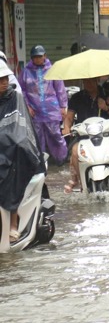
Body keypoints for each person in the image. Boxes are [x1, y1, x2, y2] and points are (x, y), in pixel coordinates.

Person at [62, 77, 109, 192]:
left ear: (97, 80)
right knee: (75, 151)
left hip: (108, 135)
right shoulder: (76, 98)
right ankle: (76, 179)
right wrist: (66, 127)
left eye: (90, 81)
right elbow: (69, 117)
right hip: (84, 136)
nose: (87, 84)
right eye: (85, 81)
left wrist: (106, 108)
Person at [0, 60, 44, 242]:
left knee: (11, 172)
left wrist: (8, 140)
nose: (4, 82)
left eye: (5, 79)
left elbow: (19, 128)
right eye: (0, 80)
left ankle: (12, 224)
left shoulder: (15, 97)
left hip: (14, 148)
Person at [21, 45, 69, 165]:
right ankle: (40, 161)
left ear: (45, 56)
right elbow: (22, 91)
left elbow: (60, 89)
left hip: (51, 110)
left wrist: (63, 107)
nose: (38, 59)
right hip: (35, 111)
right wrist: (27, 106)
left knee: (55, 135)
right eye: (35, 57)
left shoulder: (52, 70)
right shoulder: (26, 72)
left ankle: (61, 158)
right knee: (37, 137)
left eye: (40, 56)